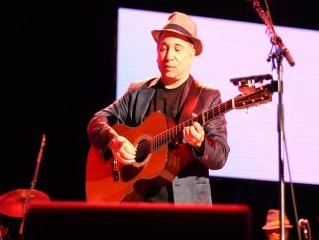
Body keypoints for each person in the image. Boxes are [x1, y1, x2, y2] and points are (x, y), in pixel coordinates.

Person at [87, 11, 230, 204]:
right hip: (135, 203)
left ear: (192, 54)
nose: (169, 56)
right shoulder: (138, 91)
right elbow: (97, 122)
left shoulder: (208, 96)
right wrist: (114, 141)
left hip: (186, 209)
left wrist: (200, 143)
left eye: (177, 49)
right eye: (163, 48)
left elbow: (220, 156)